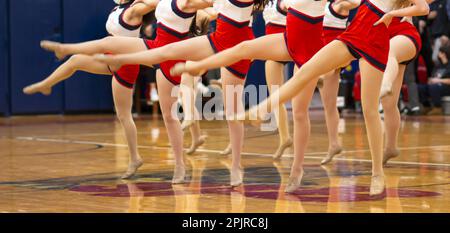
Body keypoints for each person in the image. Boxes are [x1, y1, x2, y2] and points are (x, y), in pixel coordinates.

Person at [171, 0, 430, 195]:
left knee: (370, 110)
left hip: (374, 40)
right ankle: (261, 110)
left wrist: (394, 14)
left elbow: (422, 7)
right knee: (304, 73)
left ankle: (377, 173)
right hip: (351, 35)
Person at [30, 0, 213, 183]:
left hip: (169, 56)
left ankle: (180, 166)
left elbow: (213, 9)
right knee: (102, 46)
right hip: (154, 46)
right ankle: (65, 50)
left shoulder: (182, 4)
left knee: (169, 116)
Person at [23, 0, 158, 179]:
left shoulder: (135, 10)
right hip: (110, 58)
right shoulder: (118, 8)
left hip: (125, 64)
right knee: (75, 61)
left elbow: (156, 3)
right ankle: (46, 84)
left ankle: (135, 158)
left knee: (123, 115)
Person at [262, 0, 293, 159]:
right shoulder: (267, 3)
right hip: (273, 52)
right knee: (275, 98)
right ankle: (284, 137)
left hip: (287, 46)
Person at [418, 41, 450, 114]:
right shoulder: (438, 65)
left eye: (440, 52)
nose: (438, 54)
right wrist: (431, 80)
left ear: (444, 54)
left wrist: (438, 81)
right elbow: (432, 77)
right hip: (435, 85)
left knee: (433, 87)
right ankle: (427, 106)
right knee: (420, 87)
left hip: (446, 87)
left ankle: (438, 108)